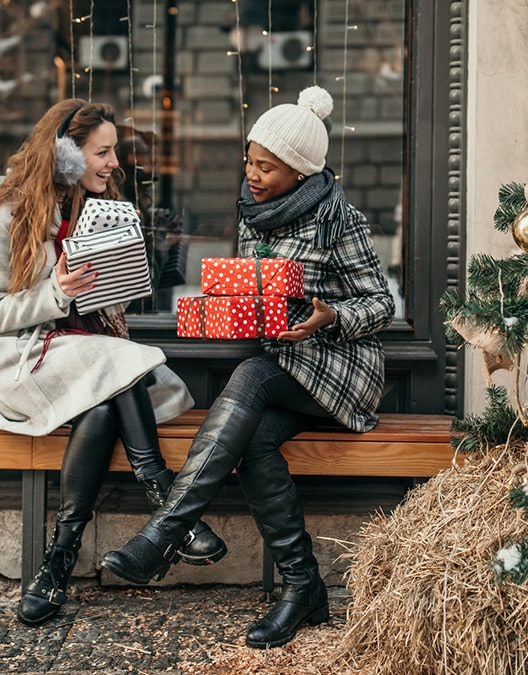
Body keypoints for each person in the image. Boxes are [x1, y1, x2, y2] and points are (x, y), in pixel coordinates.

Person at [101, 86, 395, 648]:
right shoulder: (254, 213)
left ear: (301, 172)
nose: (252, 174)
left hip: (340, 367)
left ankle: (166, 532)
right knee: (255, 440)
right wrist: (229, 312)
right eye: (249, 160)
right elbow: (253, 293)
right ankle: (303, 588)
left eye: (265, 166)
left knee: (251, 377)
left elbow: (380, 303)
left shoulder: (341, 219)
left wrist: (329, 317)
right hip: (283, 367)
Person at [0, 98, 226, 627]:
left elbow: (105, 301)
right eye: (101, 152)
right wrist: (55, 292)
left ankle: (56, 565)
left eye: (114, 152)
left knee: (104, 402)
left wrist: (119, 273)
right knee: (118, 365)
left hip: (91, 357)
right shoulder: (9, 213)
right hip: (27, 361)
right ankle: (172, 514)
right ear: (65, 155)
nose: (113, 164)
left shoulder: (92, 209)